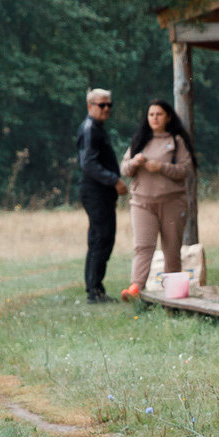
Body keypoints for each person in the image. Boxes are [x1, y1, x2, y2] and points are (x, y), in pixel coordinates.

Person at [118, 99, 195, 298]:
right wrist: (134, 162)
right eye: (151, 114)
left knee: (171, 249)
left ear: (168, 117)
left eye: (159, 114)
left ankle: (174, 295)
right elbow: (124, 169)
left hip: (172, 202)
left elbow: (186, 170)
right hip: (142, 203)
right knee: (143, 246)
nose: (155, 118)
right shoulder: (139, 140)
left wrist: (161, 167)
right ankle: (136, 288)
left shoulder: (176, 141)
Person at [75, 88, 125, 302]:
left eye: (109, 105)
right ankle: (94, 291)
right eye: (101, 105)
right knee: (101, 238)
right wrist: (114, 180)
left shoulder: (97, 128)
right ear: (90, 106)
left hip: (102, 192)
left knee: (100, 238)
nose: (106, 109)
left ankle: (94, 288)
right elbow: (88, 163)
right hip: (95, 191)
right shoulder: (90, 129)